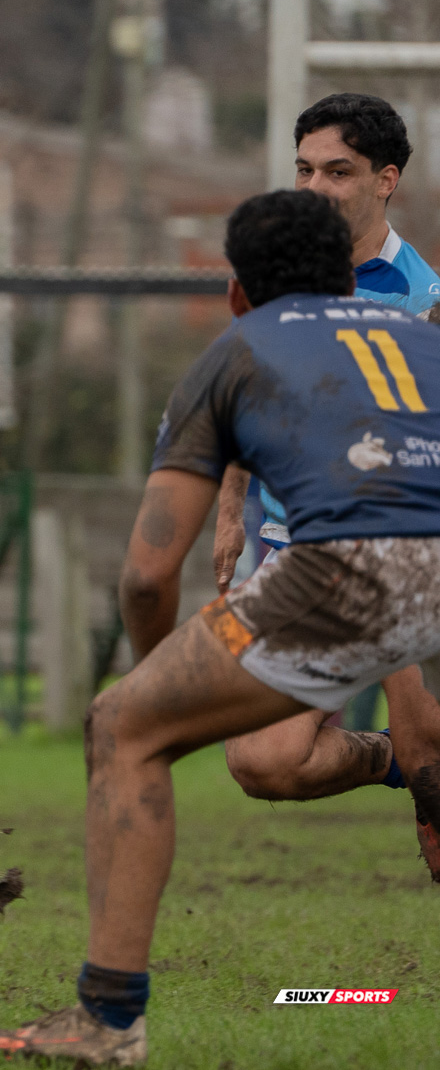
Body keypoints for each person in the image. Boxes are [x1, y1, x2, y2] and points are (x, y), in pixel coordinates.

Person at [0, 190, 440, 1065]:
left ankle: (107, 1020)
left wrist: (157, 688)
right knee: (300, 756)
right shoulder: (424, 337)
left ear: (236, 293)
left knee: (122, 726)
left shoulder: (237, 352)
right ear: (349, 282)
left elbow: (149, 572)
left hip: (349, 570)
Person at [213, 94, 440, 806]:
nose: (315, 188)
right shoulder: (269, 283)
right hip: (300, 554)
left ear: (386, 180)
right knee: (263, 760)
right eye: (304, 169)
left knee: (427, 743)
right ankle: (395, 759)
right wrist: (229, 512)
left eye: (338, 172)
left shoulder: (421, 300)